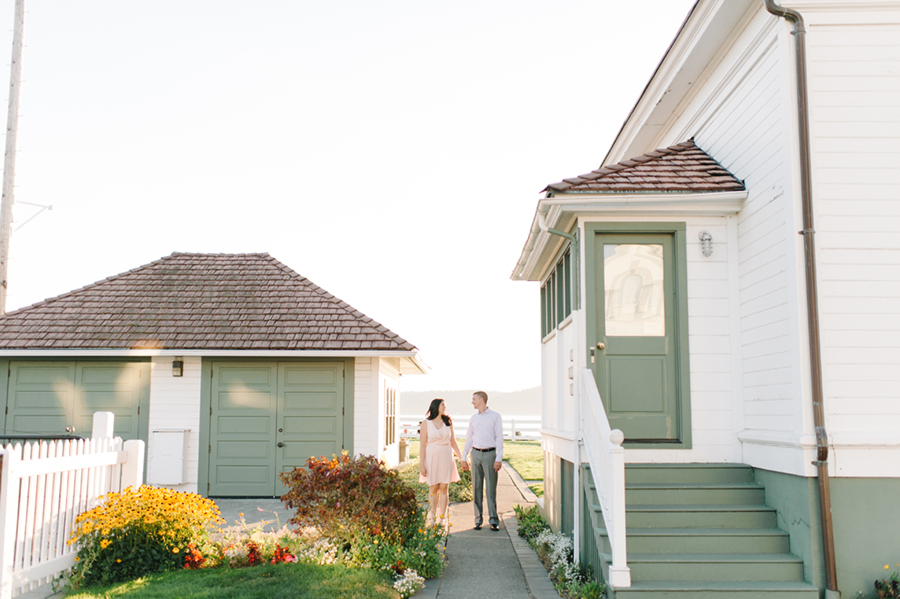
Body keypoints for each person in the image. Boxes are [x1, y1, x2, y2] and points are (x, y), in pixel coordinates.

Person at [419, 398, 465, 528]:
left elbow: (453, 442)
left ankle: (443, 517)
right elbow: (422, 445)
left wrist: (462, 457)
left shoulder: (448, 422)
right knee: (433, 487)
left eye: (445, 405)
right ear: (436, 406)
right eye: (443, 405)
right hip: (432, 456)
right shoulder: (426, 423)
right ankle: (432, 517)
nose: (445, 407)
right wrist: (422, 464)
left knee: (444, 488)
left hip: (446, 455)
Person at [461, 391, 503, 531]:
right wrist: (464, 456)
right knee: (476, 488)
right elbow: (468, 439)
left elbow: (499, 439)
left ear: (481, 400)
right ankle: (478, 520)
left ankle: (493, 520)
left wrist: (499, 459)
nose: (472, 402)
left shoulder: (495, 417)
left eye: (474, 399)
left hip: (490, 454)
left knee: (491, 489)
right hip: (476, 454)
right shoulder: (473, 418)